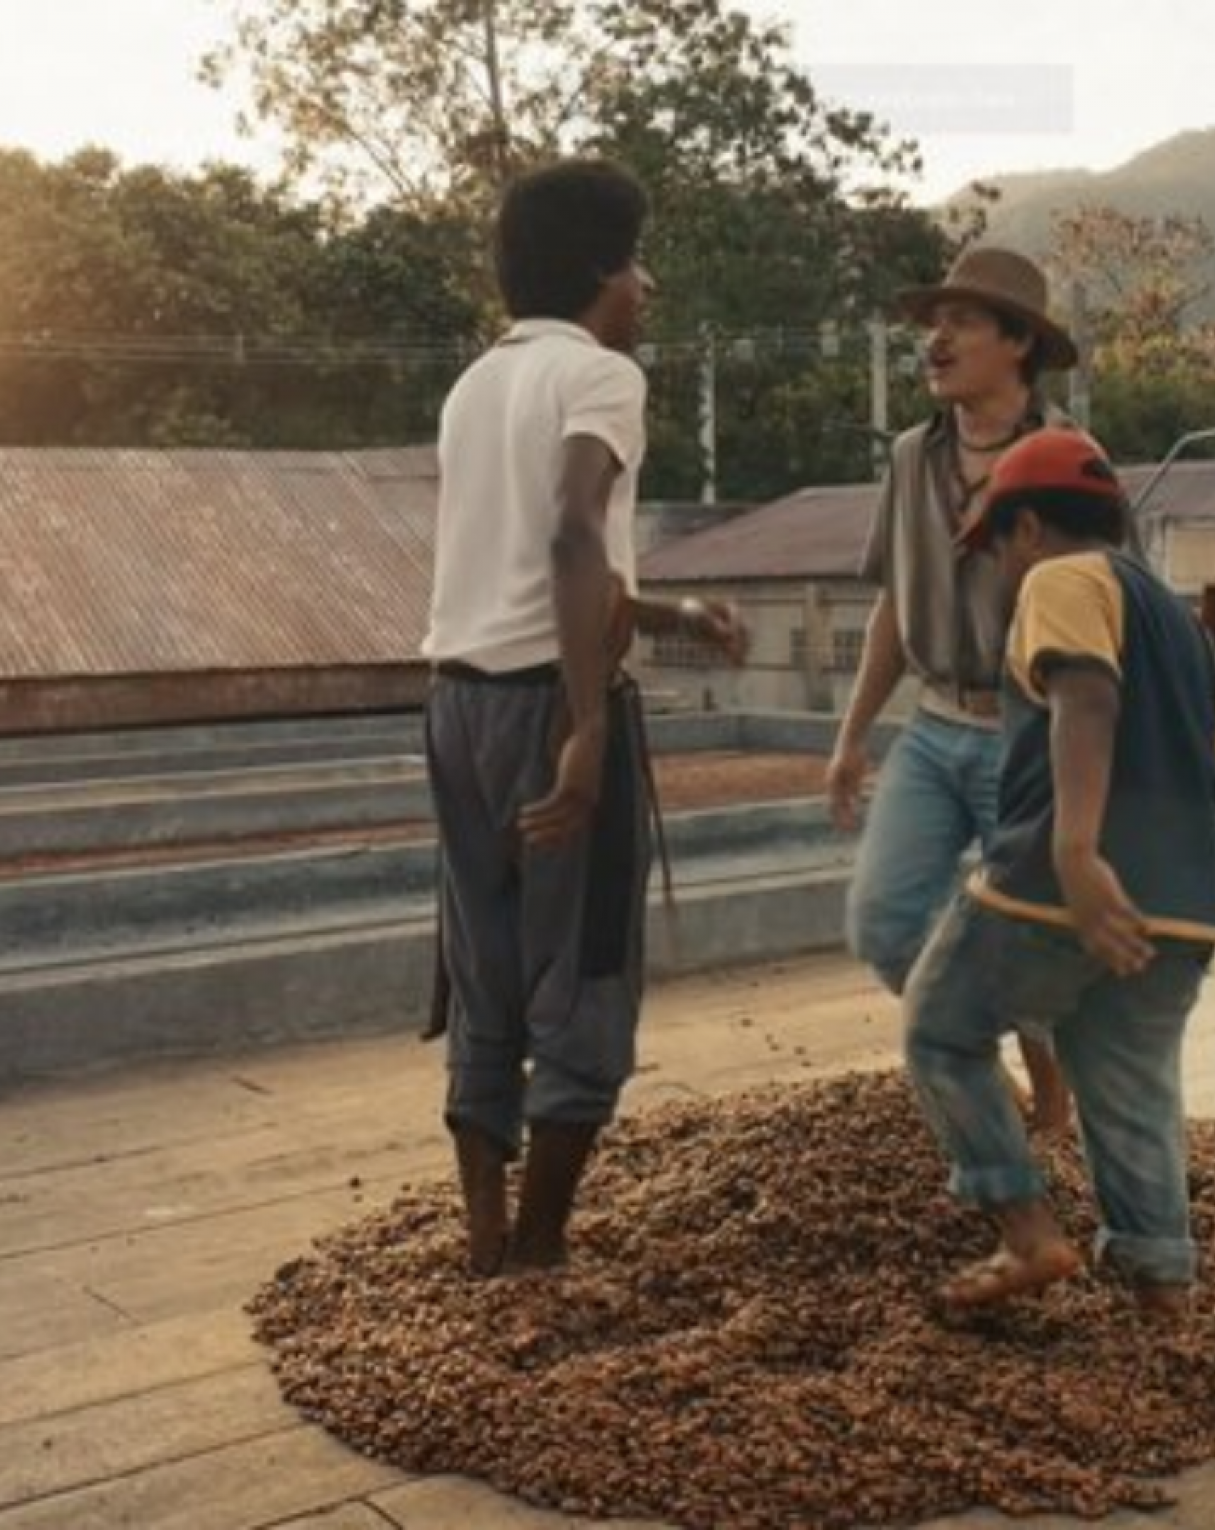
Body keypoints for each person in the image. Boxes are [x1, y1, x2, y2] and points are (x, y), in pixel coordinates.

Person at [422, 160, 744, 1278]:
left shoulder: (476, 386)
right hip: (548, 703)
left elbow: (532, 564)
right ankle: (541, 1253)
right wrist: (588, 728)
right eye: (639, 263)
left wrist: (670, 608)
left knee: (484, 963)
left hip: (457, 706)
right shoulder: (600, 377)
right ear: (604, 272)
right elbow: (568, 535)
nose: (648, 286)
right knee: (587, 970)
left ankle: (484, 1238)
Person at [900, 426, 1215, 1317]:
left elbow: (1086, 696)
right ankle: (1164, 1287)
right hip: (1187, 903)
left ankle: (1025, 1231)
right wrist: (1175, 882)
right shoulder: (1182, 625)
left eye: (996, 552)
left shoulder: (1060, 578)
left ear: (1028, 528)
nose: (1001, 573)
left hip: (1060, 886)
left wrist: (1078, 855)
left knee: (940, 1028)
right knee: (1129, 1085)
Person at [826, 245, 1078, 1132]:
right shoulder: (906, 458)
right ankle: (983, 1067)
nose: (936, 339)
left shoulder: (1070, 460)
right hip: (931, 731)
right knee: (885, 922)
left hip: (1031, 734)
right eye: (934, 323)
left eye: (962, 322)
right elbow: (897, 600)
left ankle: (1055, 1088)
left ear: (1018, 344)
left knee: (1034, 926)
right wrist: (852, 733)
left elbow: (1101, 622)